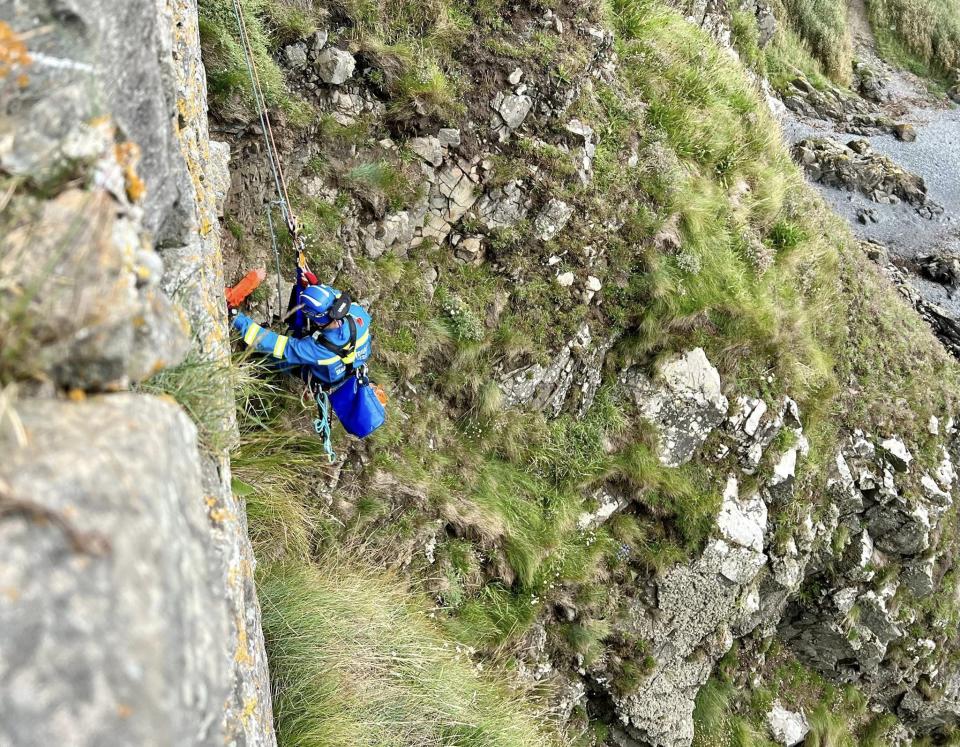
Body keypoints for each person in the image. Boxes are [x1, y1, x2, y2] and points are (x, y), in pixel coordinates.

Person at [231, 284, 372, 389]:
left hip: (327, 376)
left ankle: (260, 360)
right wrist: (314, 284)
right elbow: (333, 295)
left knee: (280, 358)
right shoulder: (358, 313)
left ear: (316, 319)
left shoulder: (317, 349)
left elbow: (274, 344)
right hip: (354, 362)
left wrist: (236, 318)